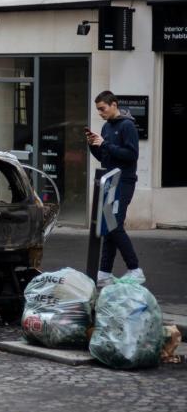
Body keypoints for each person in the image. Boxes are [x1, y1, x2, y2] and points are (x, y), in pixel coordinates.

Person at [86, 90, 144, 287]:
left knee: (114, 225)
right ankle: (104, 273)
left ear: (114, 104)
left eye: (102, 109)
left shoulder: (127, 126)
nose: (100, 113)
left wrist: (106, 144)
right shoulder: (106, 127)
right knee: (108, 227)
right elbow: (105, 157)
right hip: (110, 180)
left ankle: (135, 269)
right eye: (98, 110)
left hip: (124, 181)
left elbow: (131, 155)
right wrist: (93, 145)